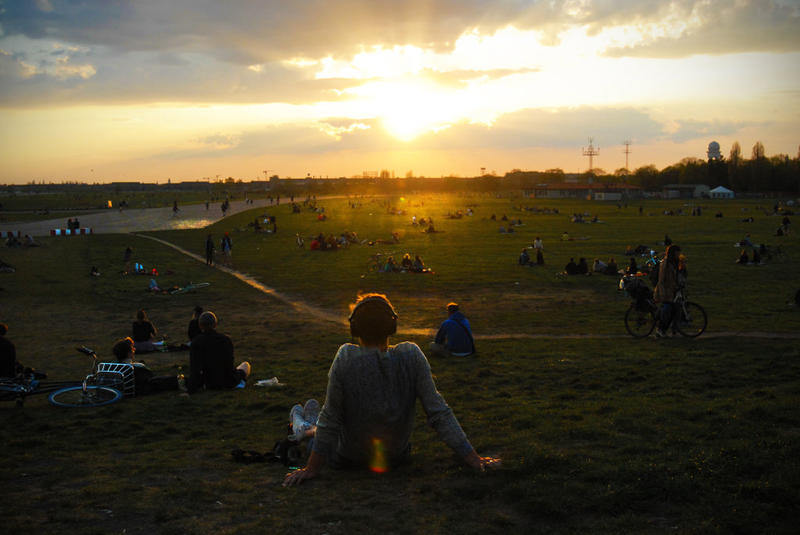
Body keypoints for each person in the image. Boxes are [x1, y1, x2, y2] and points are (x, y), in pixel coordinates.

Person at [282, 294, 499, 486]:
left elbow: (331, 420)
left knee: (318, 425)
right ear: (392, 326)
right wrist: (473, 457)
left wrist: (311, 469)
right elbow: (439, 412)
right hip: (396, 457)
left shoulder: (345, 357)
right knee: (318, 416)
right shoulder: (412, 355)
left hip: (347, 457)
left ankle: (303, 426)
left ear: (354, 327)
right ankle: (307, 422)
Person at [187, 311, 251, 394]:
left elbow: (195, 369)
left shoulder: (196, 342)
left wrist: (191, 391)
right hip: (229, 380)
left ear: (200, 325)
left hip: (210, 383)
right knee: (245, 365)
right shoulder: (226, 340)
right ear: (215, 324)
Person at [111, 337, 181, 395]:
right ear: (129, 353)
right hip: (138, 389)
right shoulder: (136, 368)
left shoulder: (113, 366)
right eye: (132, 349)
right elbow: (149, 377)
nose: (134, 350)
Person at [653, 245, 681, 337]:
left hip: (671, 290)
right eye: (677, 253)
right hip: (665, 291)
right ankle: (660, 329)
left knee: (673, 310)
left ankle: (664, 330)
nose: (679, 255)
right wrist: (662, 293)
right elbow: (661, 280)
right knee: (668, 310)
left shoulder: (674, 262)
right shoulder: (665, 263)